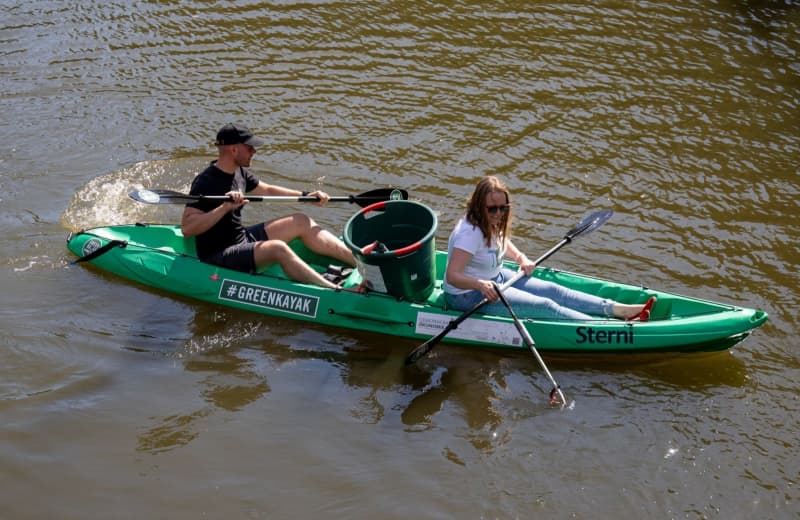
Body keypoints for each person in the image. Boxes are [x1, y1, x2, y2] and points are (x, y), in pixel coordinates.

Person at [443, 176, 656, 321]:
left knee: (556, 291)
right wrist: (480, 285)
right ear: (480, 206)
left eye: (503, 208)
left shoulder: (491, 221)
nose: (499, 214)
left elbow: (500, 242)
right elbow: (452, 275)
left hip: (495, 279)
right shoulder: (469, 234)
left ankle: (618, 310)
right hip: (466, 296)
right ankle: (606, 328)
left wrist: (520, 258)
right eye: (493, 209)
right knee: (545, 305)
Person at [181, 122, 357, 290]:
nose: (254, 151)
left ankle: (361, 263)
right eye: (249, 148)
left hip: (241, 238)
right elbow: (187, 228)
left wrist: (306, 196)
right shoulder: (205, 182)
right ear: (234, 149)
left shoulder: (238, 172)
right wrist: (224, 208)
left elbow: (268, 190)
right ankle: (333, 290)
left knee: (301, 221)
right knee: (277, 247)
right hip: (219, 254)